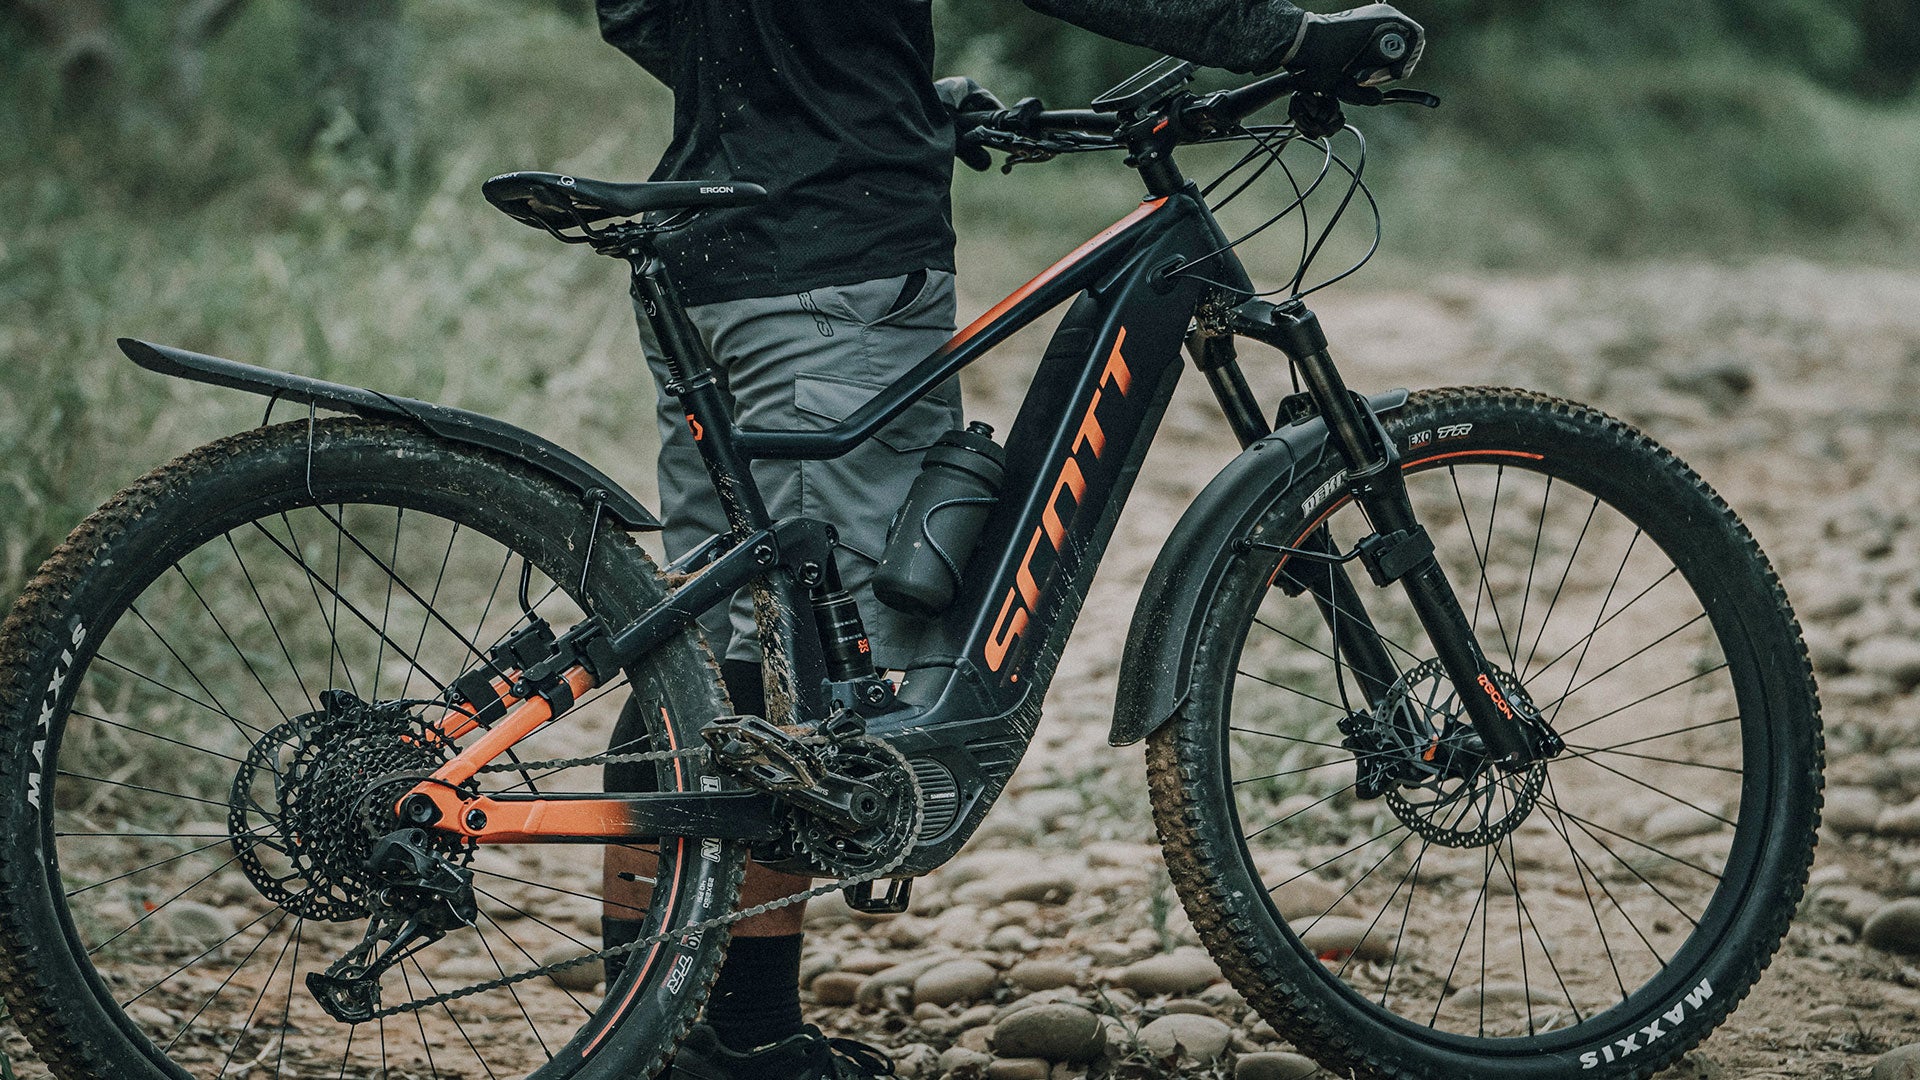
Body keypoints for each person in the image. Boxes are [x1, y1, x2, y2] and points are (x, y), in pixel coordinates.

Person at [589, 3, 1426, 1077]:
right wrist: (1291, 40)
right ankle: (738, 1045)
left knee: (713, 655)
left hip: (713, 248)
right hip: (831, 267)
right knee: (784, 678)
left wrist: (851, 94)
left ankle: (657, 1032)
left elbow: (641, 10)